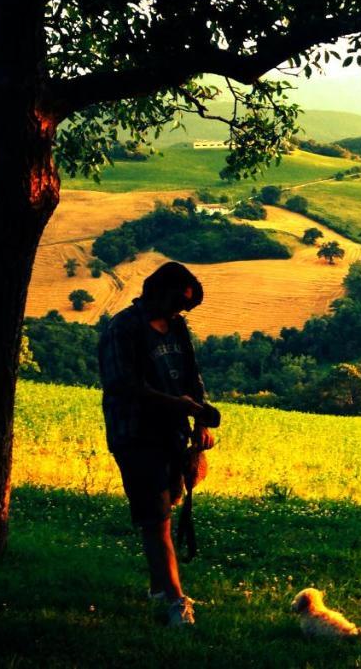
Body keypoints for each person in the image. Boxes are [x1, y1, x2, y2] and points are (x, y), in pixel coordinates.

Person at [98, 261, 220, 627]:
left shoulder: (177, 327)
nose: (181, 311)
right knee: (157, 519)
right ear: (157, 291)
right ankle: (175, 602)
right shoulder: (123, 329)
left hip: (172, 433)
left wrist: (199, 418)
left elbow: (191, 376)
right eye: (179, 302)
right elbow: (122, 384)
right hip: (135, 433)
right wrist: (176, 405)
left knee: (167, 506)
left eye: (186, 307)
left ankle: (158, 589)